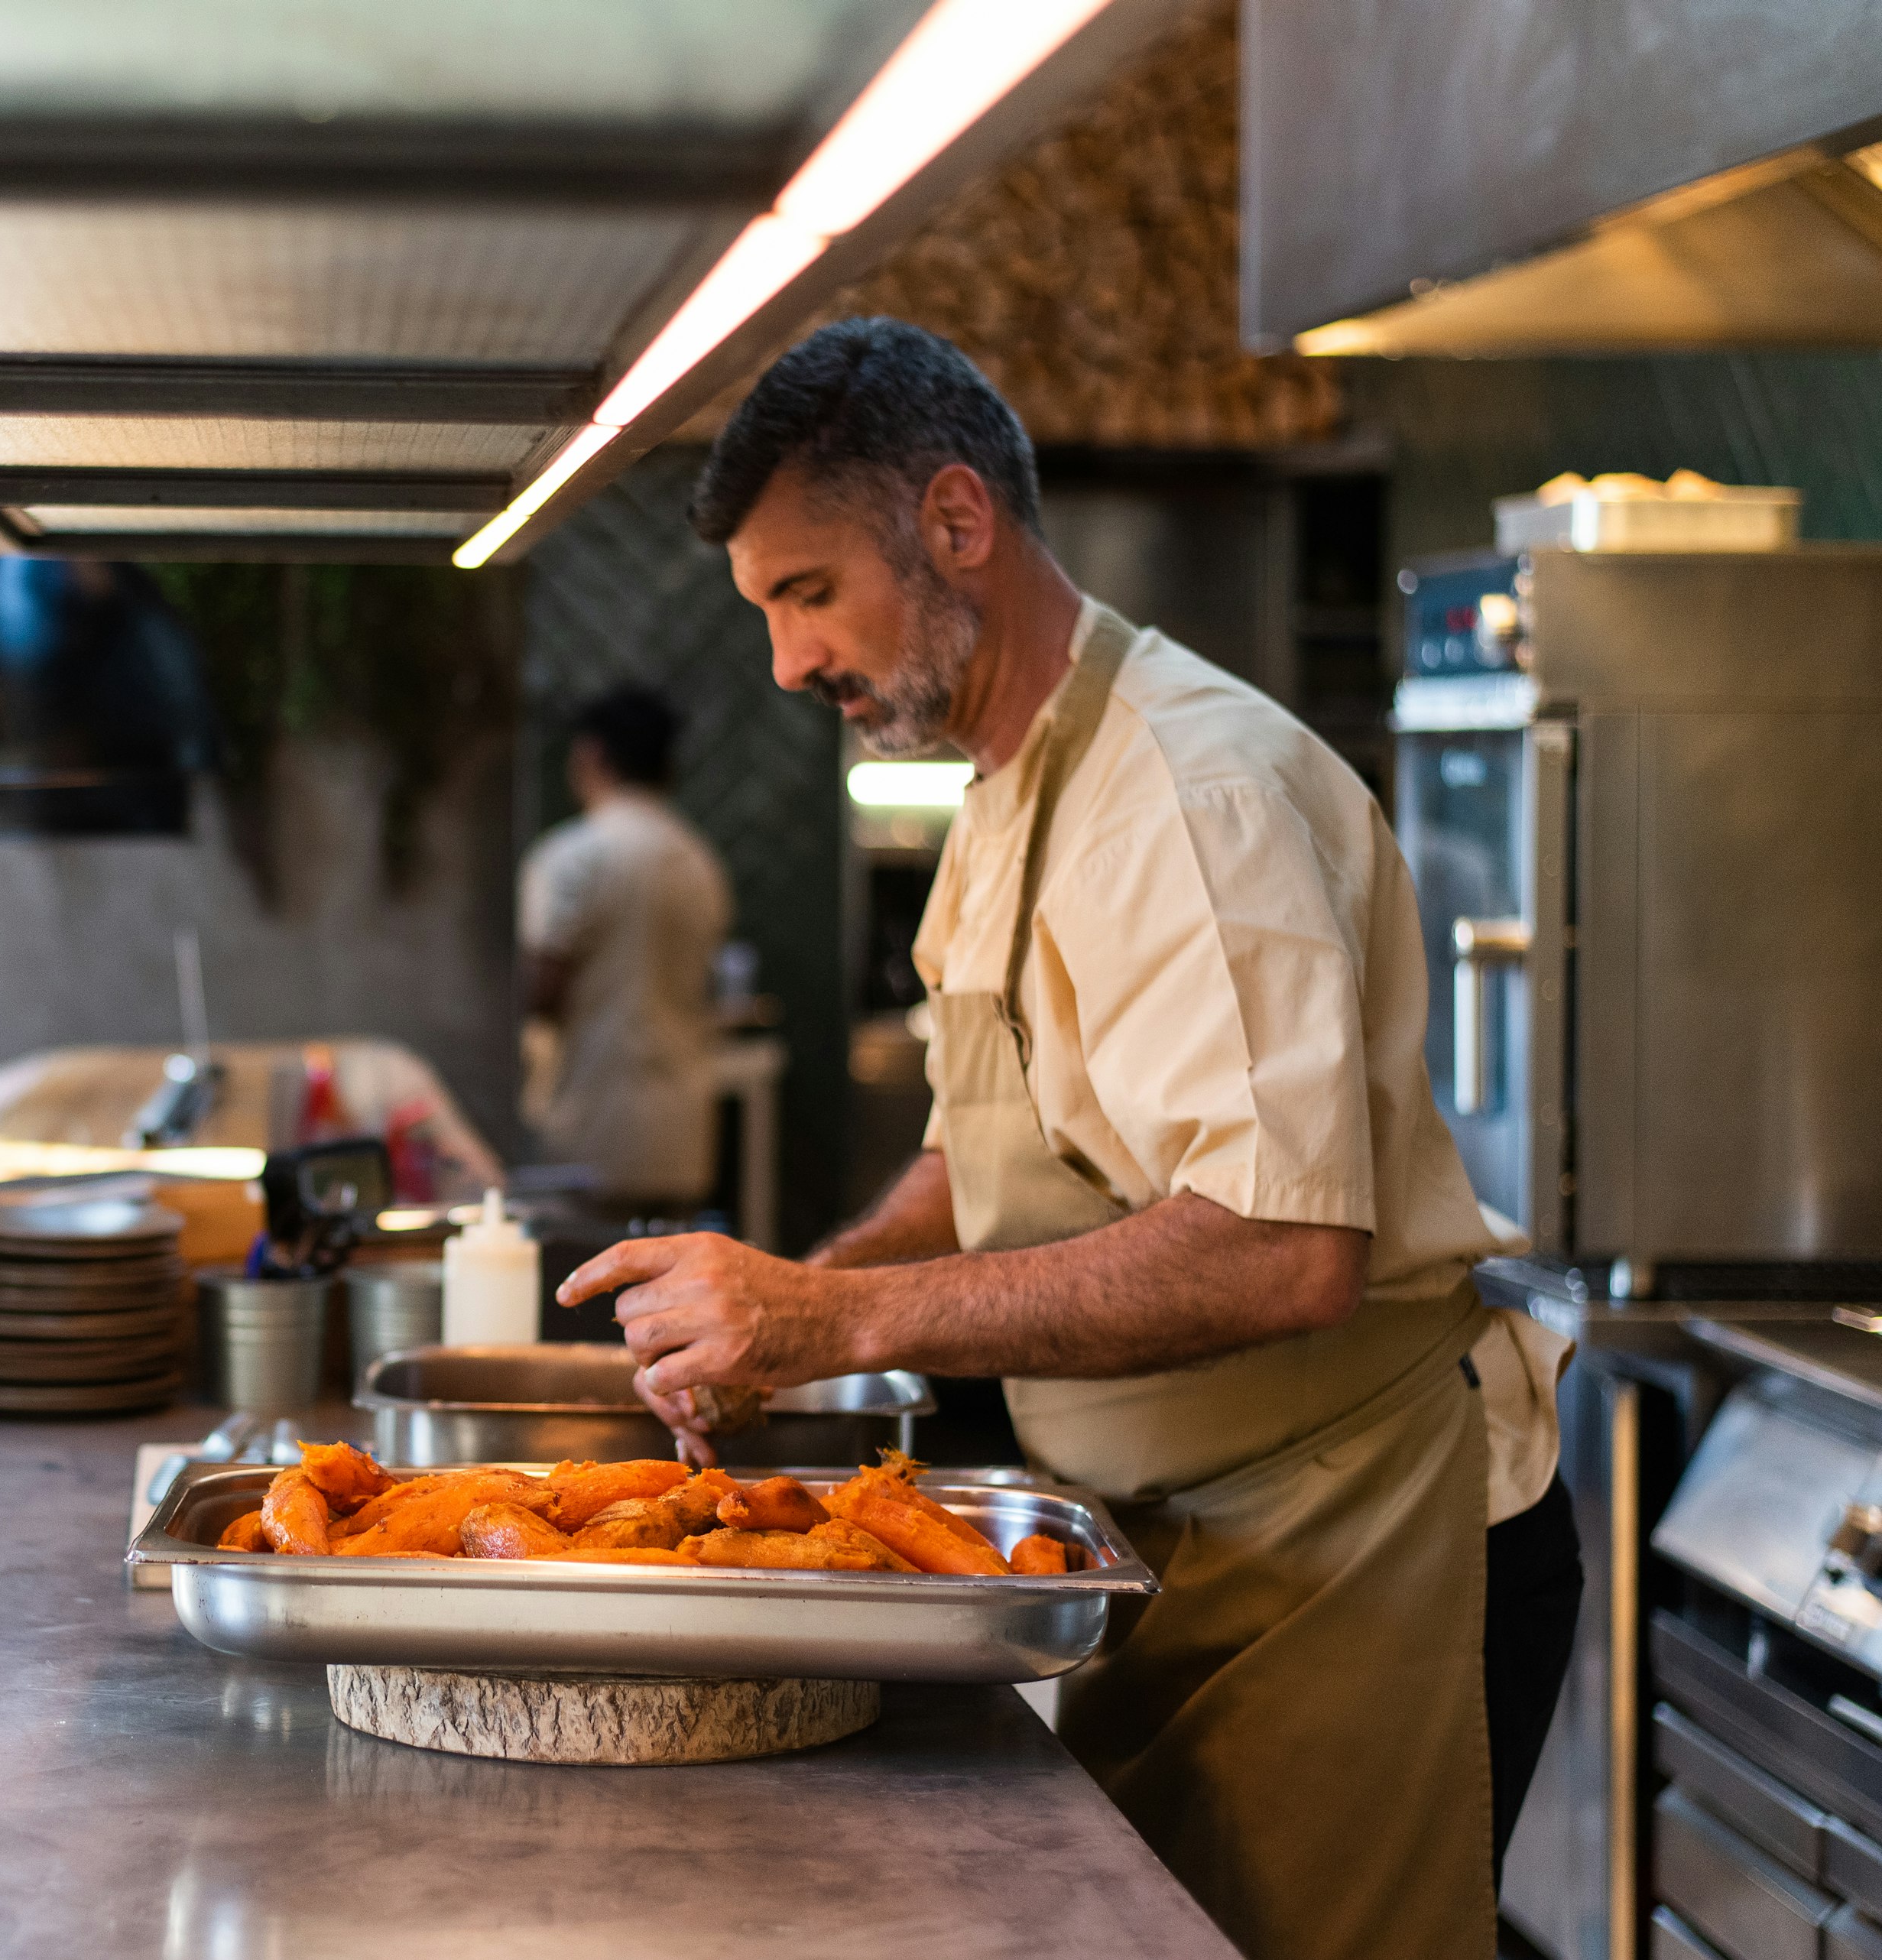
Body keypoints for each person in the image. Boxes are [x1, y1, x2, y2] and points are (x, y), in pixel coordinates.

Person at [557, 320, 1579, 1960]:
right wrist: (801, 1307)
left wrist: (839, 1321)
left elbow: (1282, 1244)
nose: (783, 663)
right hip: (1180, 1534)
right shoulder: (1009, 785)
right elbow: (1000, 1152)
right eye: (765, 610)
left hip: (1353, 1542)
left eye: (806, 592)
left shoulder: (1188, 792)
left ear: (956, 522)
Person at [518, 686, 733, 1213]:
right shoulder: (700, 863)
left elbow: (541, 991)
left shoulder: (574, 857)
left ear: (591, 756)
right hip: (684, 1135)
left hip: (591, 1129)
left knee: (588, 1288)